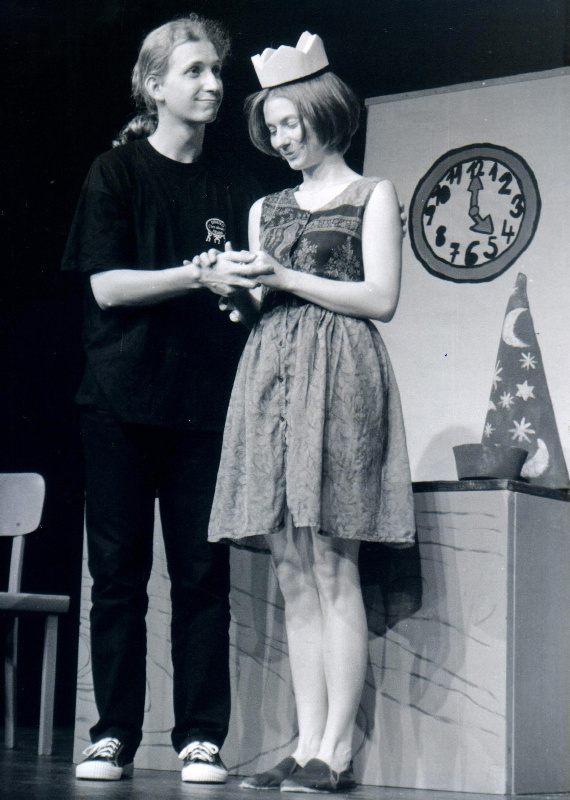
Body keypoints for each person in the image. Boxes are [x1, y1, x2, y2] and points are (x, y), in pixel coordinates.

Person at [62, 14, 272, 783]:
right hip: (119, 401)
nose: (213, 84)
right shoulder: (116, 173)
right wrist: (196, 274)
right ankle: (113, 732)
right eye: (195, 71)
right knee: (118, 577)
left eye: (217, 70)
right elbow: (107, 287)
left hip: (205, 406)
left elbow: (246, 295)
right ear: (154, 86)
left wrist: (241, 294)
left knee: (202, 577)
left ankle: (201, 737)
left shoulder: (234, 183)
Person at [208, 32, 418, 793]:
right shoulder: (265, 207)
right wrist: (234, 291)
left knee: (332, 563)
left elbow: (380, 299)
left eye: (292, 122)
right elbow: (261, 303)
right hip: (271, 377)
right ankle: (305, 745)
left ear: (327, 114)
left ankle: (338, 752)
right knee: (293, 572)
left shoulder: (372, 194)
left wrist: (286, 276)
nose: (283, 139)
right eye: (274, 128)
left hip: (341, 375)